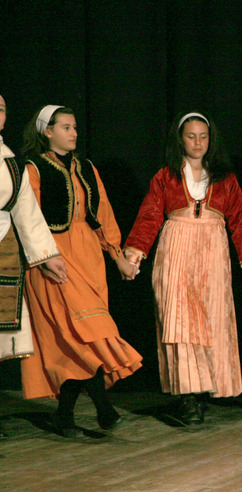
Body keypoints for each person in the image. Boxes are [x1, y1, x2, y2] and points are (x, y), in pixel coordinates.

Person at [124, 112, 242, 425]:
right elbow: (149, 217)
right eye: (191, 136)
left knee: (212, 320)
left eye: (203, 136)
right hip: (176, 250)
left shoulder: (225, 178)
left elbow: (240, 222)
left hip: (213, 253)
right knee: (180, 322)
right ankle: (187, 398)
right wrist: (134, 256)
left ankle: (203, 392)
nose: (198, 142)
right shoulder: (166, 176)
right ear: (180, 140)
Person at [20, 105, 142, 437]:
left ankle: (64, 416)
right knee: (84, 333)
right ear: (47, 131)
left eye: (75, 127)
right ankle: (104, 408)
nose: (74, 133)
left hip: (88, 256)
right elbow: (28, 219)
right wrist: (44, 257)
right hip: (53, 257)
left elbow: (103, 213)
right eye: (66, 127)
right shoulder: (33, 169)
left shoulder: (86, 168)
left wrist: (117, 256)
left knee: (81, 339)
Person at [0, 95, 68, 438]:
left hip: (3, 248)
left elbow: (26, 212)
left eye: (0, 109)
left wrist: (48, 256)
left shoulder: (10, 162)